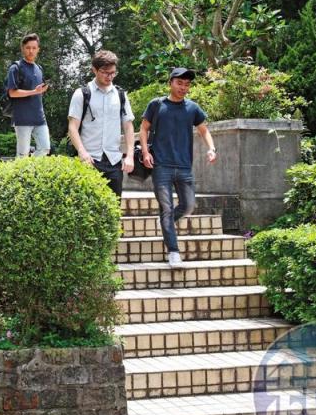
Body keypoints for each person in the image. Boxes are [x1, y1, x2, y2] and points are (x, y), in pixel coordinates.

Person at [139, 67, 218, 268]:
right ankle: (173, 252)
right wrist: (146, 153)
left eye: (187, 84)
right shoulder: (156, 105)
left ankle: (166, 223)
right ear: (171, 83)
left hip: (184, 166)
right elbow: (144, 128)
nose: (183, 87)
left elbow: (204, 130)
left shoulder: (192, 108)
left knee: (188, 205)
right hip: (161, 166)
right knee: (166, 208)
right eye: (180, 83)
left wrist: (212, 148)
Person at [67, 50, 135, 197]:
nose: (109, 77)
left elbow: (128, 126)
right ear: (94, 70)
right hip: (89, 160)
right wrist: (82, 152)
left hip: (114, 161)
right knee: (88, 211)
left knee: (114, 210)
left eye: (113, 73)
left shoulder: (121, 95)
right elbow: (73, 127)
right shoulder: (82, 94)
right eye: (105, 72)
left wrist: (130, 155)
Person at [6, 33, 50, 157]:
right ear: (22, 48)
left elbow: (37, 91)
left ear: (38, 50)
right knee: (22, 154)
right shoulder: (15, 68)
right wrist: (34, 91)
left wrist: (41, 90)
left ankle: (31, 172)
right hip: (22, 118)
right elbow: (12, 92)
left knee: (45, 149)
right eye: (28, 48)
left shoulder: (39, 68)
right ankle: (21, 175)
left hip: (40, 118)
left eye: (34, 48)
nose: (31, 51)